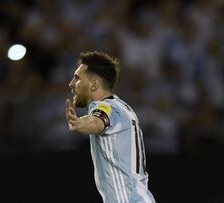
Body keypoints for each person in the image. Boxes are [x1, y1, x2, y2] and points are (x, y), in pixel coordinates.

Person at [66, 51, 156, 203]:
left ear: (94, 84)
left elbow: (97, 122)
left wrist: (80, 123)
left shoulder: (108, 108)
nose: (71, 84)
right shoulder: (120, 106)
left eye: (77, 78)